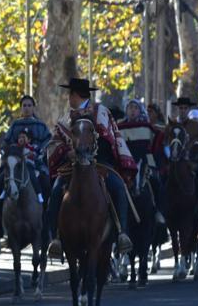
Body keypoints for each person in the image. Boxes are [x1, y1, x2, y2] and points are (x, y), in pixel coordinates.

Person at [45, 77, 135, 258]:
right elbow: (55, 143)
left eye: (70, 94)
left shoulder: (101, 112)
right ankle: (55, 238)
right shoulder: (66, 117)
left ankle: (122, 233)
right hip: (73, 165)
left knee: (118, 187)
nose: (68, 98)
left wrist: (94, 153)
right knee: (55, 192)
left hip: (100, 163)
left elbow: (111, 138)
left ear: (75, 94)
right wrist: (66, 153)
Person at [0, 94, 52, 241]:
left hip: (35, 162)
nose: (26, 108)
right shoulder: (14, 125)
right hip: (15, 164)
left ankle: (48, 224)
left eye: (29, 105)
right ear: (21, 108)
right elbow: (5, 143)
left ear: (33, 107)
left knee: (46, 182)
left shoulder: (41, 126)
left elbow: (48, 141)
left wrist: (38, 152)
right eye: (24, 105)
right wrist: (11, 150)